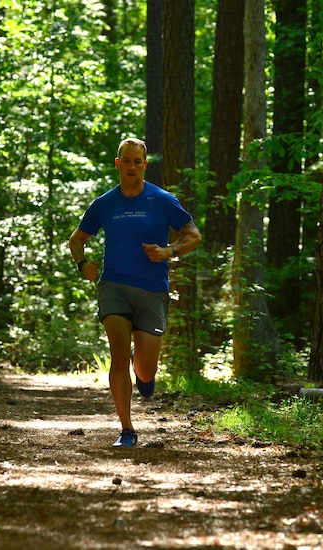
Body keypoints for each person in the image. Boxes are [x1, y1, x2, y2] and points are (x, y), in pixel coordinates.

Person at [68, 137, 202, 448]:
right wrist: (82, 264)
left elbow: (193, 235)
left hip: (152, 290)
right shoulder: (104, 204)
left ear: (145, 164)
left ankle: (141, 368)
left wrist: (169, 251)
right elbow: (77, 240)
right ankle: (126, 430)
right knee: (117, 351)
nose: (131, 166)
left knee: (145, 368)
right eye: (126, 161)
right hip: (113, 286)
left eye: (137, 161)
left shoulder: (162, 200)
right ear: (118, 164)